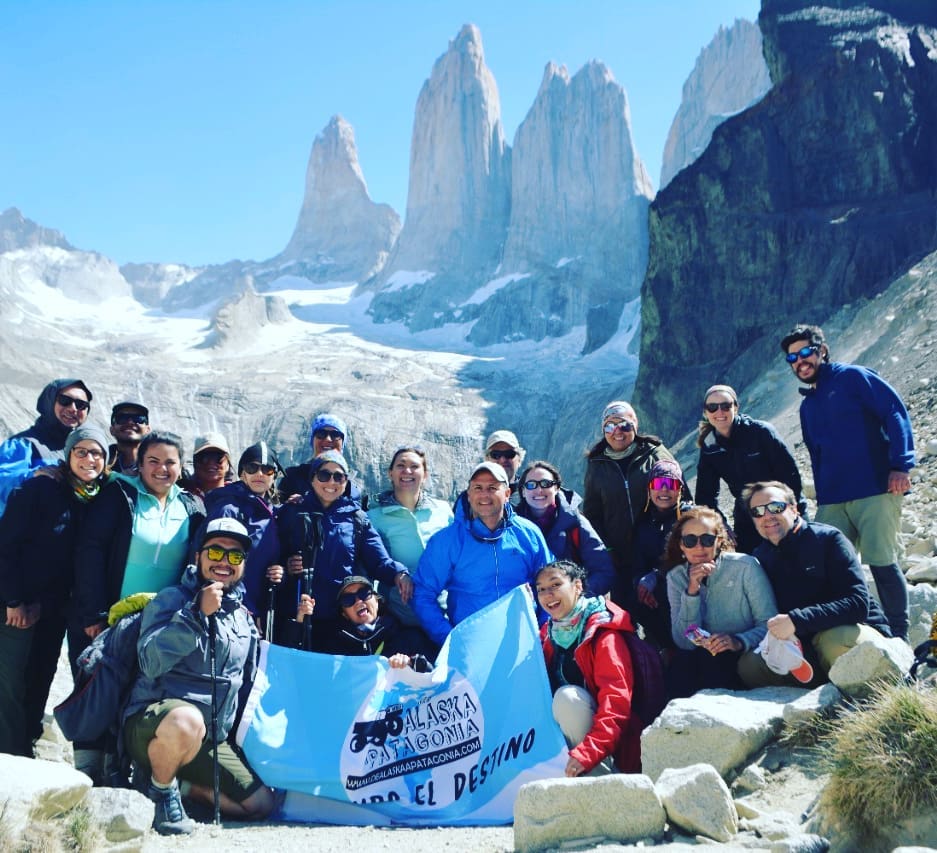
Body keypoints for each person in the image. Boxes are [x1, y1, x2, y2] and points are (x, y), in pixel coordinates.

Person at [122, 517, 275, 834]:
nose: (224, 562)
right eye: (215, 552)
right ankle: (163, 795)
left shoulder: (243, 619)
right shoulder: (172, 599)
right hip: (154, 725)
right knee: (187, 721)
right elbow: (150, 663)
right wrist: (195, 615)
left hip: (208, 738)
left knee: (260, 805)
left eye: (234, 556)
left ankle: (173, 786)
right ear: (198, 557)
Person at [72, 431, 206, 780]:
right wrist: (93, 612)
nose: (162, 469)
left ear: (181, 466)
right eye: (153, 461)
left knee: (137, 690)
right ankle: (87, 773)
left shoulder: (191, 507)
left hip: (157, 621)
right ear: (141, 465)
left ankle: (119, 768)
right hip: (110, 616)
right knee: (99, 687)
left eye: (170, 462)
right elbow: (91, 552)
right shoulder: (119, 496)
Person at [781, 323, 914, 640]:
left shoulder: (853, 377)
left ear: (821, 350)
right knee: (827, 565)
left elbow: (894, 412)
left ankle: (900, 636)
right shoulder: (807, 405)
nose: (801, 362)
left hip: (875, 489)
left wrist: (901, 465)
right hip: (833, 499)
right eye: (792, 358)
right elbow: (816, 455)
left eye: (806, 352)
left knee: (881, 561)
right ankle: (862, 628)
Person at [0, 424, 111, 756]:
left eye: (97, 453)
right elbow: (6, 548)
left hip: (54, 608)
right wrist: (15, 601)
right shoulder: (38, 490)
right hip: (17, 605)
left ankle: (25, 748)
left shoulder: (97, 498)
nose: (89, 459)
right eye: (82, 451)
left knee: (40, 677)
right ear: (68, 454)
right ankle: (9, 758)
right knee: (11, 684)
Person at [738, 481, 893, 687]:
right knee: (749, 666)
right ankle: (819, 700)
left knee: (835, 640)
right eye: (757, 511)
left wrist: (796, 621)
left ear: (793, 509)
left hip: (851, 631)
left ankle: (872, 703)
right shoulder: (761, 556)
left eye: (776, 507)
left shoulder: (828, 539)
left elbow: (857, 604)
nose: (767, 516)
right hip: (804, 645)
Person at [275, 451, 411, 651]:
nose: (331, 481)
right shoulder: (291, 512)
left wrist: (399, 572)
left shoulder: (357, 519)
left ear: (346, 481)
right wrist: (286, 566)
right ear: (312, 478)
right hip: (297, 616)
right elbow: (273, 555)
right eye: (324, 475)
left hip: (340, 621)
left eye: (338, 476)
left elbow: (378, 561)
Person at [412, 461, 553, 647]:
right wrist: (449, 639)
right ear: (469, 495)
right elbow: (423, 592)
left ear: (507, 494)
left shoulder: (528, 534)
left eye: (492, 487)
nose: (484, 494)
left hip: (524, 643)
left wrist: (542, 634)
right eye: (478, 487)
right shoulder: (447, 541)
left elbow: (550, 585)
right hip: (470, 645)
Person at [536, 560, 641, 775]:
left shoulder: (603, 632)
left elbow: (616, 701)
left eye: (556, 585)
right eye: (542, 589)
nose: (548, 594)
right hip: (574, 746)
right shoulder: (547, 634)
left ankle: (601, 781)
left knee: (568, 698)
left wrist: (589, 753)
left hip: (608, 749)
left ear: (577, 587)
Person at [663, 507, 777, 697]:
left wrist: (738, 641)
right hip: (698, 658)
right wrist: (692, 590)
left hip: (744, 655)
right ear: (681, 545)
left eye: (707, 540)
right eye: (690, 541)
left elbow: (770, 623)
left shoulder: (745, 566)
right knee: (682, 667)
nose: (699, 547)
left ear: (719, 541)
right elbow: (683, 641)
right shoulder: (676, 577)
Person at [582, 400, 684, 607]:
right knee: (627, 613)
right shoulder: (597, 464)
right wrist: (606, 550)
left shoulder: (655, 454)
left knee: (666, 608)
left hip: (659, 550)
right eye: (609, 426)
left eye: (624, 425)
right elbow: (593, 513)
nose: (617, 431)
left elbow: (681, 496)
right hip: (620, 557)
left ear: (635, 426)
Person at [694, 384, 806, 554]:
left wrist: (793, 512)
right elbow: (705, 495)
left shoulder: (760, 432)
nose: (719, 412)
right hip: (747, 517)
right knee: (755, 567)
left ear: (736, 407)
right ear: (705, 412)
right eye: (712, 407)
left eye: (726, 406)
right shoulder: (710, 447)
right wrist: (720, 525)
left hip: (780, 509)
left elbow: (790, 476)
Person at [367, 446, 453, 628]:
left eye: (414, 466)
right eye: (400, 465)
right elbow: (372, 562)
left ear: (425, 474)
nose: (407, 471)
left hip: (444, 611)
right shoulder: (374, 517)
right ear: (390, 473)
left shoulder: (443, 511)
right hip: (400, 616)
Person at [204, 441, 284, 633]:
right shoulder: (228, 509)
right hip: (230, 608)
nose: (260, 474)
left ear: (274, 476)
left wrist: (281, 571)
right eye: (252, 467)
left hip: (258, 611)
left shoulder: (273, 512)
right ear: (241, 473)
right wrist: (242, 608)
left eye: (267, 470)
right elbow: (215, 562)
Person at [515, 459, 614, 596]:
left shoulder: (575, 523)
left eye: (546, 484)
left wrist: (576, 599)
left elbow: (603, 570)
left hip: (570, 611)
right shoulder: (512, 528)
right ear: (523, 491)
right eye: (531, 485)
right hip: (526, 609)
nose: (539, 490)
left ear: (556, 488)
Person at [294, 575, 435, 667]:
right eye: (348, 600)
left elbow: (438, 677)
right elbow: (292, 664)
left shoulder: (408, 637)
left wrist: (412, 663)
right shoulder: (332, 647)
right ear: (345, 614)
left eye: (364, 594)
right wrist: (300, 620)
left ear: (377, 600)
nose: (358, 601)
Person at [0, 378, 93, 516]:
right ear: (49, 402)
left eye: (81, 404)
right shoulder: (23, 444)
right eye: (65, 400)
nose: (73, 409)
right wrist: (32, 475)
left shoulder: (80, 451)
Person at [630, 459, 694, 652]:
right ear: (649, 489)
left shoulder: (691, 517)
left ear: (680, 489)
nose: (664, 490)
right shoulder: (643, 523)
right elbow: (637, 563)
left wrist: (656, 576)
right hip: (656, 595)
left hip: (687, 589)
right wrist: (641, 584)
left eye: (671, 484)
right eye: (658, 484)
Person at [278, 413, 368, 508]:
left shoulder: (356, 487)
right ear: (312, 440)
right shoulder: (292, 477)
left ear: (343, 442)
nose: (328, 439)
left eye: (335, 435)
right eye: (321, 434)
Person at [181, 432, 233, 499]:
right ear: (195, 463)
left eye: (218, 457)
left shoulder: (240, 497)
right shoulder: (182, 497)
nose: (211, 463)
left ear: (228, 464)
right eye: (203, 457)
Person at [107, 401, 151, 475]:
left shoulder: (160, 462)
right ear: (112, 430)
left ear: (148, 430)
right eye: (122, 418)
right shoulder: (101, 461)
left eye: (138, 418)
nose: (130, 422)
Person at [484, 429, 525, 497]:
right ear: (487, 459)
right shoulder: (471, 497)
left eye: (509, 454)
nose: (503, 460)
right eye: (496, 455)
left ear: (519, 459)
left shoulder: (532, 494)